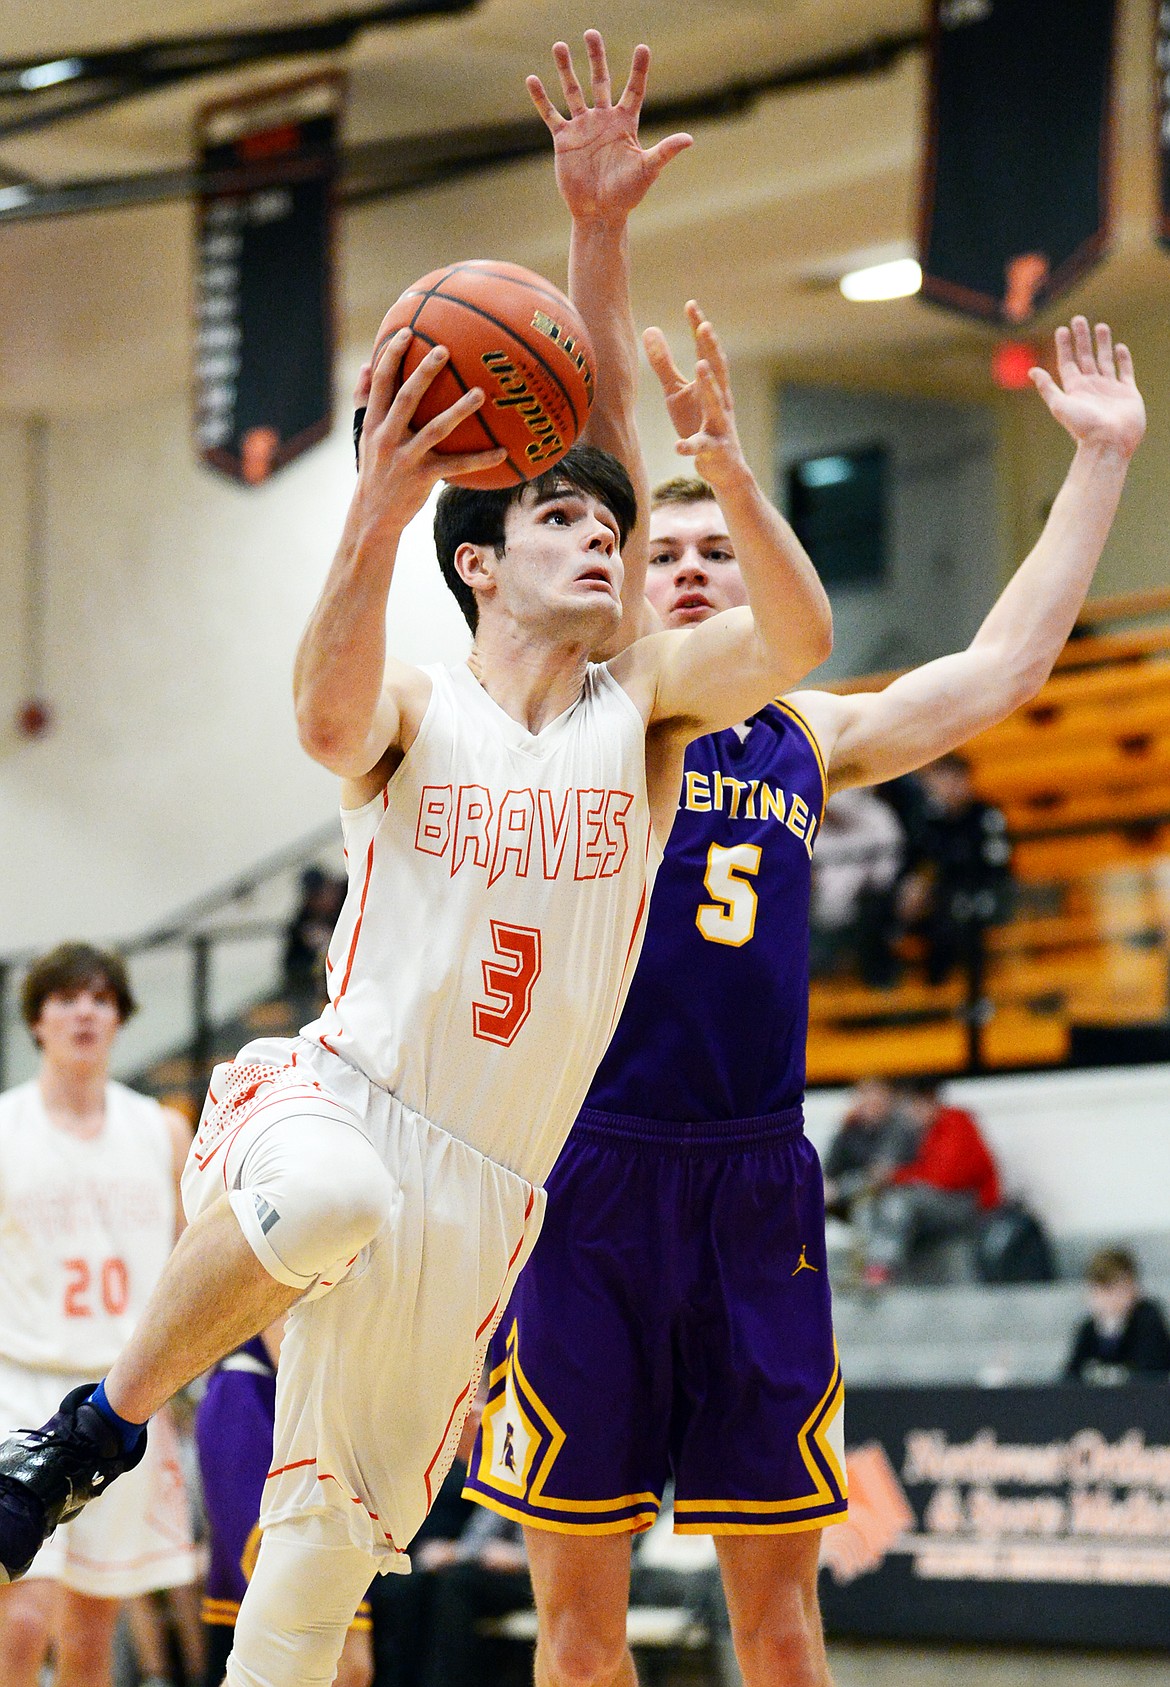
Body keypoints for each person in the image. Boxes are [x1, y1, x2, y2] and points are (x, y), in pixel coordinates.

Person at [0, 53, 833, 1687]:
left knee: (314, 1583)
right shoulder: (416, 695)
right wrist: (373, 504)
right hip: (340, 1099)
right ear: (479, 557)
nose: (606, 542)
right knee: (328, 1190)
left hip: (492, 1191)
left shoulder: (647, 710)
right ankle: (92, 1424)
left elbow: (796, 633)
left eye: (619, 532)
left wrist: (717, 457)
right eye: (570, 527)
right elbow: (320, 718)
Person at [463, 31, 1146, 1687]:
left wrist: (1104, 463)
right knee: (581, 1621)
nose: (682, 566)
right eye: (661, 546)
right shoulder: (611, 711)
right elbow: (609, 427)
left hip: (761, 1173)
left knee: (784, 1613)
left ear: (754, 565)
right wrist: (599, 236)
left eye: (715, 545)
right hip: (592, 1169)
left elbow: (999, 671)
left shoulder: (812, 732)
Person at [0, 943, 197, 1687]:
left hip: (123, 1394)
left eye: (101, 998)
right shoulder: (5, 1126)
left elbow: (188, 1267)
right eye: (65, 998)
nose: (85, 1011)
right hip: (21, 1385)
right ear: (36, 1020)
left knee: (92, 1630)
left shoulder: (162, 1129)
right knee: (22, 1617)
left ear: (119, 1018)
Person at [195, 1320, 373, 1687]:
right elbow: (283, 1324)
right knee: (291, 1649)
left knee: (345, 1663)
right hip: (261, 1407)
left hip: (312, 1415)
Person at [857, 1078, 1001, 1284]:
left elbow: (945, 1179)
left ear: (929, 1101)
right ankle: (871, 1266)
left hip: (971, 1206)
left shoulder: (956, 1124)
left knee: (901, 1202)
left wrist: (896, 1176)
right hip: (941, 1204)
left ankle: (879, 1270)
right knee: (873, 1203)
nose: (911, 1114)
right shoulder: (922, 1131)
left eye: (914, 1106)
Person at [896, 752, 1012, 985]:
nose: (944, 788)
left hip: (983, 893)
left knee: (957, 917)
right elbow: (914, 860)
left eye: (951, 780)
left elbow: (995, 868)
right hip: (940, 900)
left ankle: (957, 991)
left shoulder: (985, 815)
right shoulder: (927, 820)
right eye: (939, 781)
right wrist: (913, 884)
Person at [809, 787, 906, 986]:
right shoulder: (805, 819)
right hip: (816, 912)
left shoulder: (879, 818)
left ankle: (880, 990)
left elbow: (886, 877)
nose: (833, 815)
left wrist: (860, 885)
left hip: (863, 911)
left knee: (878, 906)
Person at [1064, 1247, 1170, 1384]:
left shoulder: (1148, 1319)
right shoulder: (1088, 1328)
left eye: (1117, 1289)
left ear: (1134, 1287)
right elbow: (1069, 1379)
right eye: (1103, 1290)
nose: (1110, 1298)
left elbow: (1152, 1373)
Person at [821, 1079, 917, 1223]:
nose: (871, 1104)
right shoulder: (850, 1129)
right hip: (848, 1197)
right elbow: (828, 1171)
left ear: (888, 1099)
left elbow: (879, 1175)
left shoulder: (899, 1128)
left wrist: (838, 1190)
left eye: (877, 1099)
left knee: (866, 1210)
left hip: (890, 1196)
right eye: (866, 1097)